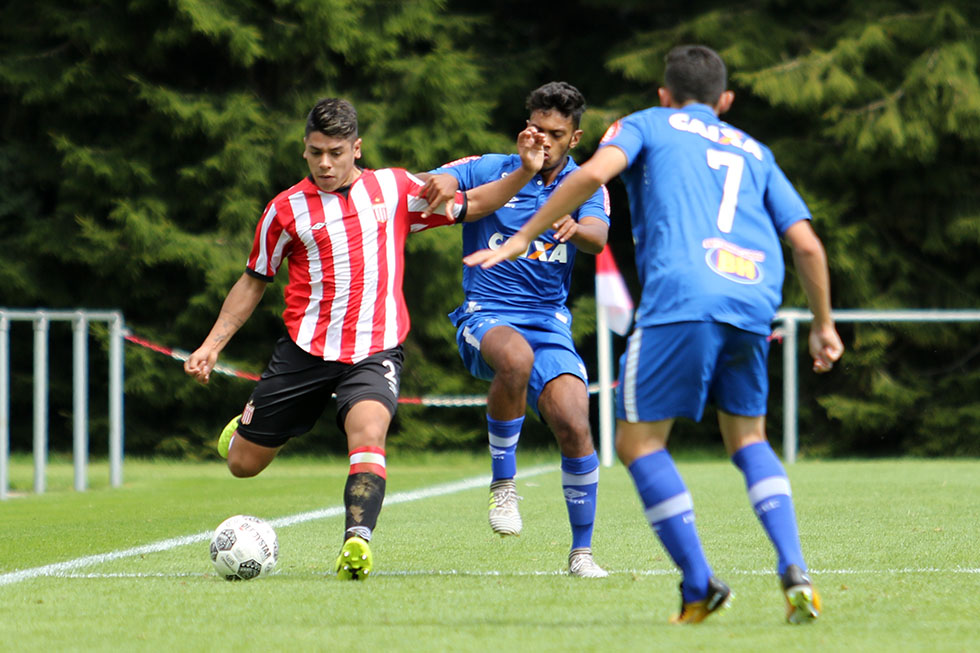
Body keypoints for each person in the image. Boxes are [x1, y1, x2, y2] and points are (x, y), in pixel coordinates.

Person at [464, 46, 844, 623]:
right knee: (749, 441)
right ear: (727, 101)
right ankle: (795, 568)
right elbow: (809, 246)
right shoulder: (756, 149)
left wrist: (522, 236)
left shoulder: (645, 123)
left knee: (638, 443)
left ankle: (698, 585)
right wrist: (823, 325)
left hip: (681, 300)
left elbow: (591, 175)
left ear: (665, 95)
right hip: (751, 302)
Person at [184, 97, 545, 581]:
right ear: (305, 151)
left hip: (375, 349)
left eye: (335, 152)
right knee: (242, 465)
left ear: (357, 148)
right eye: (315, 153)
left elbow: (476, 204)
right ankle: (243, 428)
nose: (325, 163)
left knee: (369, 432)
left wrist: (524, 171)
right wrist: (212, 345)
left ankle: (357, 542)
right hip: (306, 350)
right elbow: (254, 279)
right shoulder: (284, 210)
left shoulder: (394, 188)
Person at [423, 82, 611, 578]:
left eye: (557, 133)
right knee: (515, 358)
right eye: (537, 129)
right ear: (524, 128)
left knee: (574, 421)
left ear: (575, 138)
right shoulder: (491, 167)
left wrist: (578, 228)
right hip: (486, 312)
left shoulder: (587, 184)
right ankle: (503, 487)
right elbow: (430, 181)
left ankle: (582, 554)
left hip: (549, 321)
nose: (545, 141)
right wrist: (437, 183)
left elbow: (598, 235)